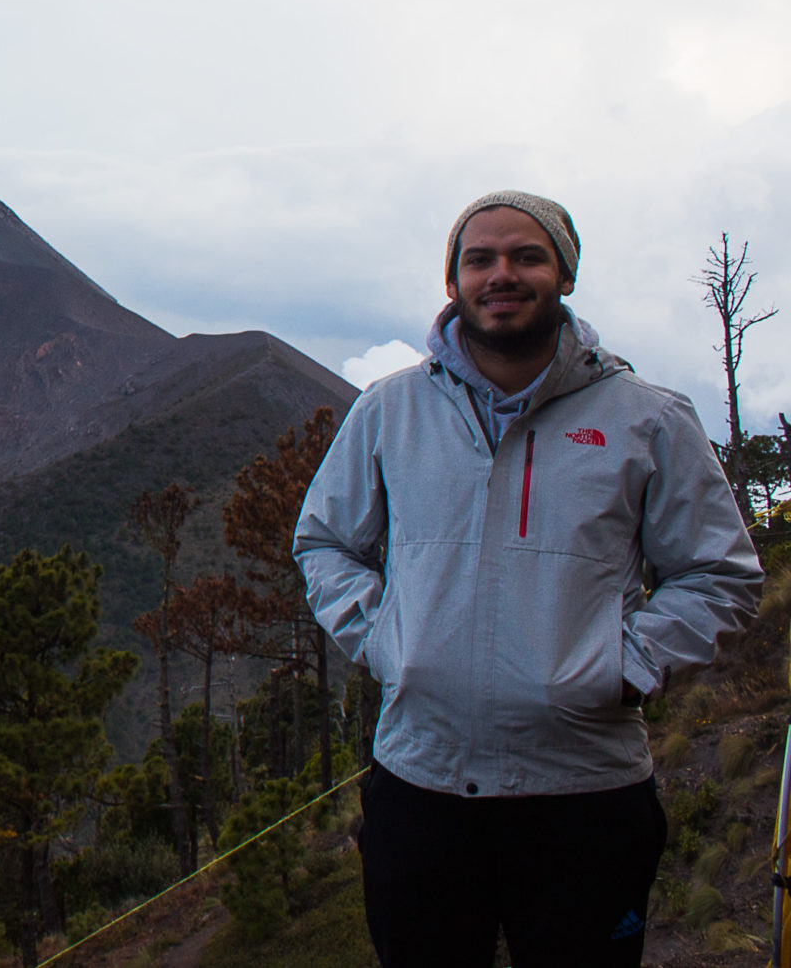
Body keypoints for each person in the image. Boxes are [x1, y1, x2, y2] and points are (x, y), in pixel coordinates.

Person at [294, 190, 762, 967]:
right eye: (479, 258)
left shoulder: (646, 418)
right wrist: (386, 642)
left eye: (526, 255)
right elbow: (325, 543)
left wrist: (630, 665)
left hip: (586, 795)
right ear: (454, 282)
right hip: (422, 785)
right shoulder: (389, 410)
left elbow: (720, 572)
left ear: (564, 275)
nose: (500, 273)